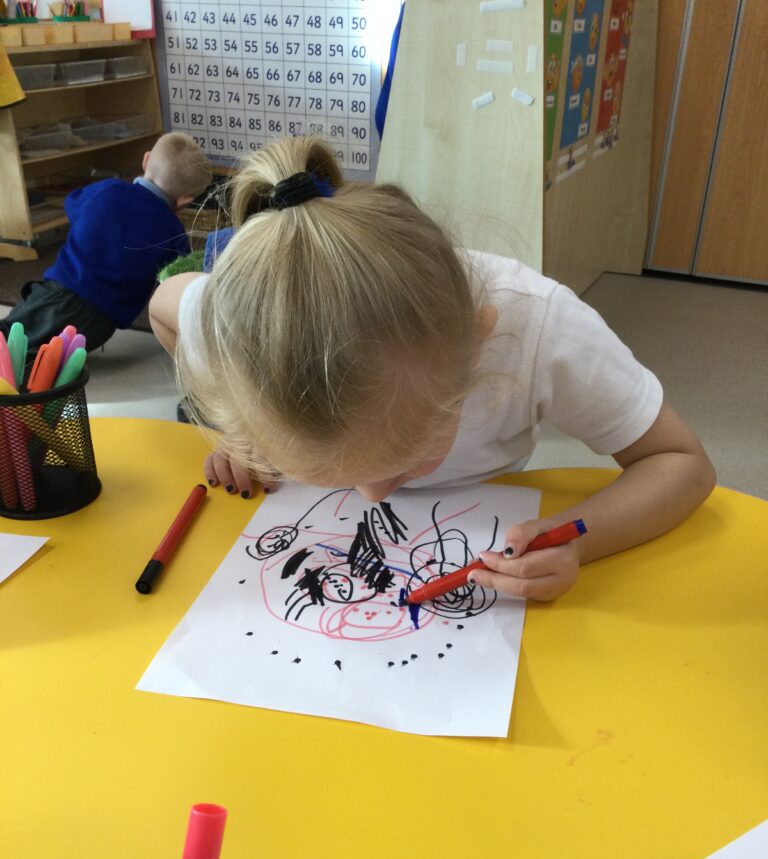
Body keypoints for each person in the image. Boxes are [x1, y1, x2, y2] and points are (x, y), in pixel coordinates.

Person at [148, 137, 715, 602]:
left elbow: (681, 464)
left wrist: (579, 541)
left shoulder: (541, 326)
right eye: (331, 472)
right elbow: (162, 309)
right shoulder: (233, 327)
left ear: (479, 344)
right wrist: (237, 428)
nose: (373, 497)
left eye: (407, 459)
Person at [0, 132, 211, 354]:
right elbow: (176, 277)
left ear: (146, 159)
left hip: (60, 293)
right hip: (100, 323)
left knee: (10, 337)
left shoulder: (107, 189)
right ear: (185, 200)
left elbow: (72, 205)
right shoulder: (173, 231)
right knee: (44, 356)